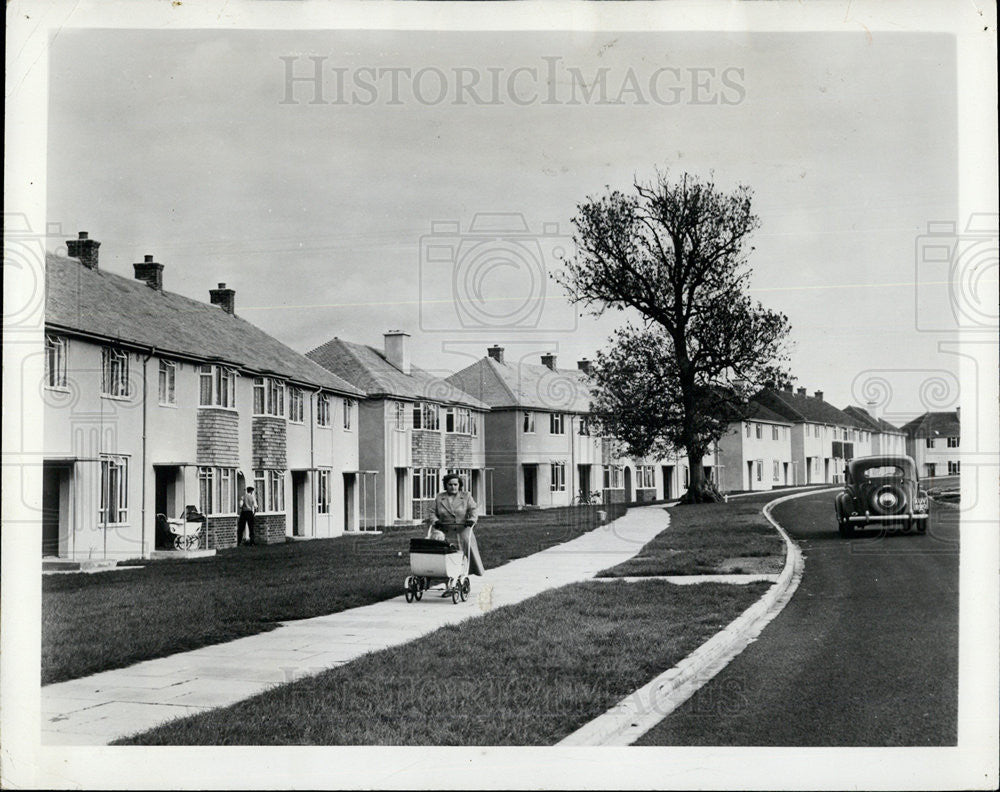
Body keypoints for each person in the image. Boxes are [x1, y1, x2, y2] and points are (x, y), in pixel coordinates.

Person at [425, 473, 484, 577]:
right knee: (445, 556)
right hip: (445, 530)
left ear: (459, 485)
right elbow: (431, 512)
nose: (453, 487)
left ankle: (461, 575)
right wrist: (436, 521)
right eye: (450, 484)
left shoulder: (466, 496)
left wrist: (471, 520)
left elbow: (474, 510)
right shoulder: (440, 497)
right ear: (446, 485)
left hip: (463, 529)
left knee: (463, 553)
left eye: (455, 484)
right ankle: (445, 576)